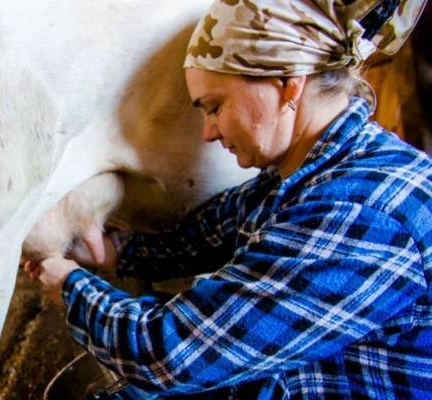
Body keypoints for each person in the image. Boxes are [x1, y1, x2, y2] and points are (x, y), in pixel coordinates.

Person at [24, 0, 432, 398]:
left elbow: (168, 354)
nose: (208, 133)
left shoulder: (363, 217)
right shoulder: (329, 168)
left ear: (287, 84)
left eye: (215, 107)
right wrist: (117, 252)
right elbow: (211, 232)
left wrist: (67, 284)